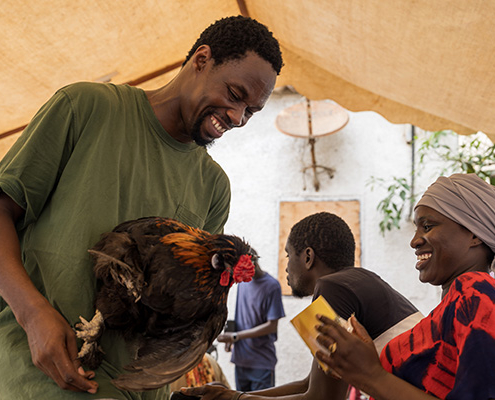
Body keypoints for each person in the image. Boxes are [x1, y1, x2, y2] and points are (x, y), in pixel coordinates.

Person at [0, 15, 283, 400]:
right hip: (38, 382)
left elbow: (181, 311)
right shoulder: (86, 108)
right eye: (234, 95)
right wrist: (32, 314)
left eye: (251, 111)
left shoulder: (213, 187)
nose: (237, 118)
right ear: (201, 59)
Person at [182, 211, 423, 400]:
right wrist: (233, 395)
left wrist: (235, 399)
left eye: (288, 255)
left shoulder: (332, 286)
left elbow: (321, 398)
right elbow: (311, 384)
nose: (286, 267)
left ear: (308, 257)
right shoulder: (361, 279)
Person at [314, 173, 495, 400]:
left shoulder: (475, 293)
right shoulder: (454, 304)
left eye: (427, 226)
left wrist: (371, 375)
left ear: (473, 235)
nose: (414, 241)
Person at [216, 249, 285, 391]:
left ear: (253, 261)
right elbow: (241, 313)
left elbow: (272, 326)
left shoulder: (272, 286)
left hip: (261, 362)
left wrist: (236, 336)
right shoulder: (243, 282)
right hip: (241, 360)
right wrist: (230, 336)